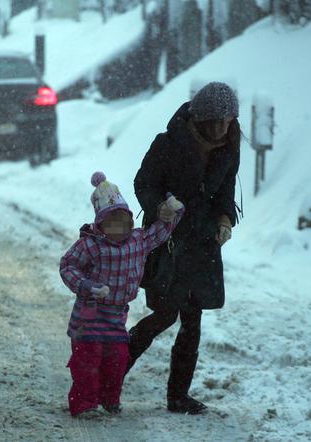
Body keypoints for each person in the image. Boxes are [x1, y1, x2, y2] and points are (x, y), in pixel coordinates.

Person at [128, 81, 241, 415]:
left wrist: (224, 221)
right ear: (200, 118)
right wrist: (159, 205)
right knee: (164, 314)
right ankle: (113, 371)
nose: (223, 129)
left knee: (193, 321)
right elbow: (144, 183)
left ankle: (178, 396)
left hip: (203, 245)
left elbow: (225, 196)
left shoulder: (228, 150)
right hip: (170, 243)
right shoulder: (168, 144)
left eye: (228, 121)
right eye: (216, 121)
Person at [60, 171, 184, 417]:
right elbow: (68, 265)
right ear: (101, 224)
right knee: (88, 361)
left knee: (116, 359)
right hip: (90, 316)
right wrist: (85, 285)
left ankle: (109, 399)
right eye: (112, 221)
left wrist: (173, 210)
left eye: (124, 220)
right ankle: (84, 403)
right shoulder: (91, 245)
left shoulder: (137, 241)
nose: (120, 227)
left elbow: (160, 232)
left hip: (117, 317)